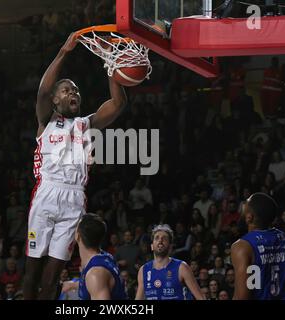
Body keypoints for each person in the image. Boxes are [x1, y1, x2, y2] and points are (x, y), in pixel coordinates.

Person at [23, 33, 127, 300]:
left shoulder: (86, 124)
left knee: (53, 273)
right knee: (33, 268)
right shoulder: (46, 119)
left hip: (74, 198)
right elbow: (43, 91)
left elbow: (118, 104)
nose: (73, 92)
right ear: (56, 100)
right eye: (66, 89)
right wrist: (63, 52)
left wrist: (110, 63)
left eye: (76, 90)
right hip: (47, 192)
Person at [231, 193, 285, 300]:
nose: (242, 205)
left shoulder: (242, 247)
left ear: (249, 217)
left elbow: (241, 297)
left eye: (245, 203)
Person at [61, 213, 127, 300]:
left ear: (78, 236)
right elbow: (100, 284)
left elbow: (97, 281)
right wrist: (73, 285)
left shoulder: (95, 273)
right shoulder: (105, 257)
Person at [135, 224, 205, 300]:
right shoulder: (143, 270)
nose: (160, 240)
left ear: (170, 247)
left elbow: (201, 298)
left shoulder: (182, 267)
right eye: (157, 238)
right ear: (152, 246)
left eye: (164, 238)